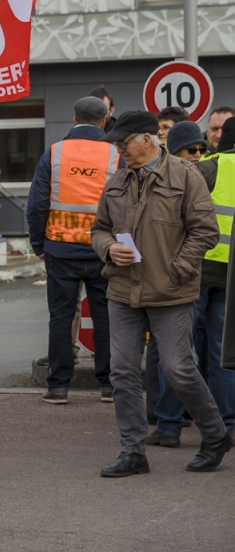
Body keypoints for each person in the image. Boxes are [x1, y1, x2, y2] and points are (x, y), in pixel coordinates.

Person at [91, 110, 231, 478]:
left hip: (171, 291)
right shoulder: (117, 181)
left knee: (178, 367)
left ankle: (215, 436)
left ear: (147, 139)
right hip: (123, 290)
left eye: (124, 143)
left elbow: (206, 232)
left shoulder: (187, 176)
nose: (121, 151)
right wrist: (108, 249)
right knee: (122, 370)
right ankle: (133, 452)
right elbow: (99, 229)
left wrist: (176, 269)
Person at [147, 118, 235, 446]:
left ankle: (169, 426)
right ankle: (226, 425)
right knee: (223, 354)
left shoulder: (210, 168)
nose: (199, 152)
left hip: (196, 272)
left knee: (179, 350)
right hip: (230, 278)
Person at [26, 96, 116, 404]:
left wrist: (40, 244)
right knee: (106, 317)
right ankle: (108, 385)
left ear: (74, 120)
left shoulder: (54, 153)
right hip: (102, 250)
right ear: (104, 122)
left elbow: (37, 204)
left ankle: (59, 387)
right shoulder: (116, 155)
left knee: (61, 318)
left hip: (60, 249)